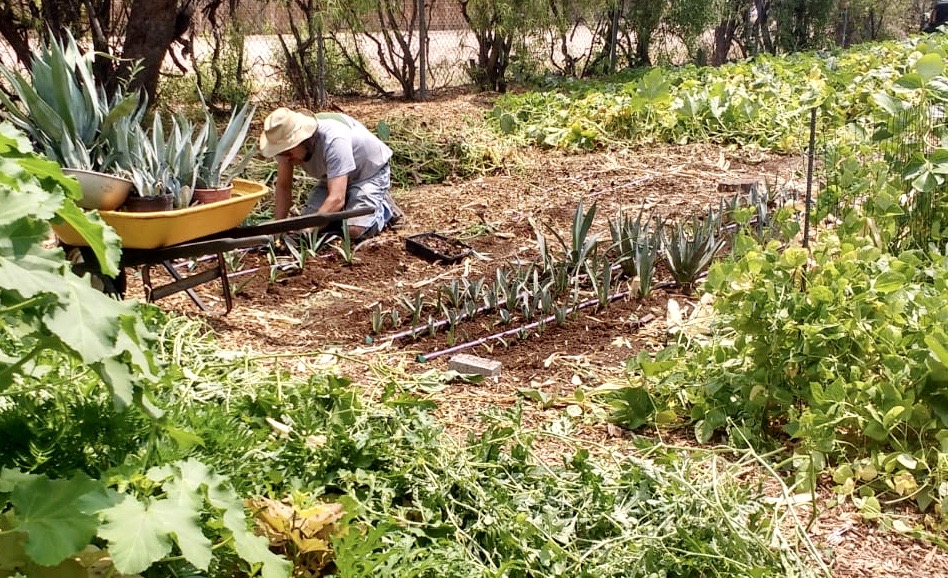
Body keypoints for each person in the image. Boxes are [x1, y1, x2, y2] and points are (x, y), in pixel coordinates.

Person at [259, 107, 403, 239]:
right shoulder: (286, 151)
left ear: (304, 138)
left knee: (354, 231)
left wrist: (309, 229)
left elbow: (337, 198)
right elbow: (284, 187)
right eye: (282, 153)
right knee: (304, 224)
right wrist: (278, 229)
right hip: (332, 177)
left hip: (368, 173)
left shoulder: (333, 141)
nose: (286, 157)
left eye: (289, 151)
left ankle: (384, 207)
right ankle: (349, 206)